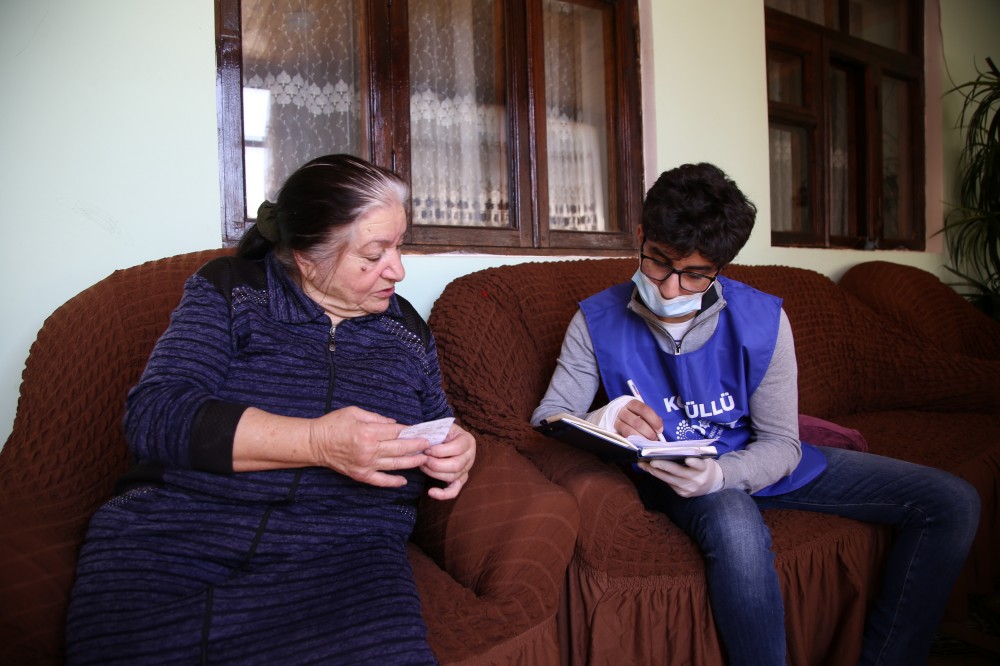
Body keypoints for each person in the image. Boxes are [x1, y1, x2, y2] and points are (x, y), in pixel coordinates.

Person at [531, 162, 981, 665]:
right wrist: (606, 415)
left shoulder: (765, 320)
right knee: (739, 532)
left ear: (721, 266)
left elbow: (782, 443)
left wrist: (724, 473)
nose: (671, 288)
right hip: (677, 477)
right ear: (641, 237)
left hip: (753, 460)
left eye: (695, 274)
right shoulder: (595, 319)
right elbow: (550, 414)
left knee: (951, 501)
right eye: (658, 262)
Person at [66, 154, 476, 665]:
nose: (398, 268)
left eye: (399, 245)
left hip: (346, 556)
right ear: (307, 257)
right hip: (180, 536)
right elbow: (156, 415)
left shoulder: (405, 329)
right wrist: (319, 443)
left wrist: (458, 449)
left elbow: (436, 424)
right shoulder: (232, 290)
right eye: (374, 254)